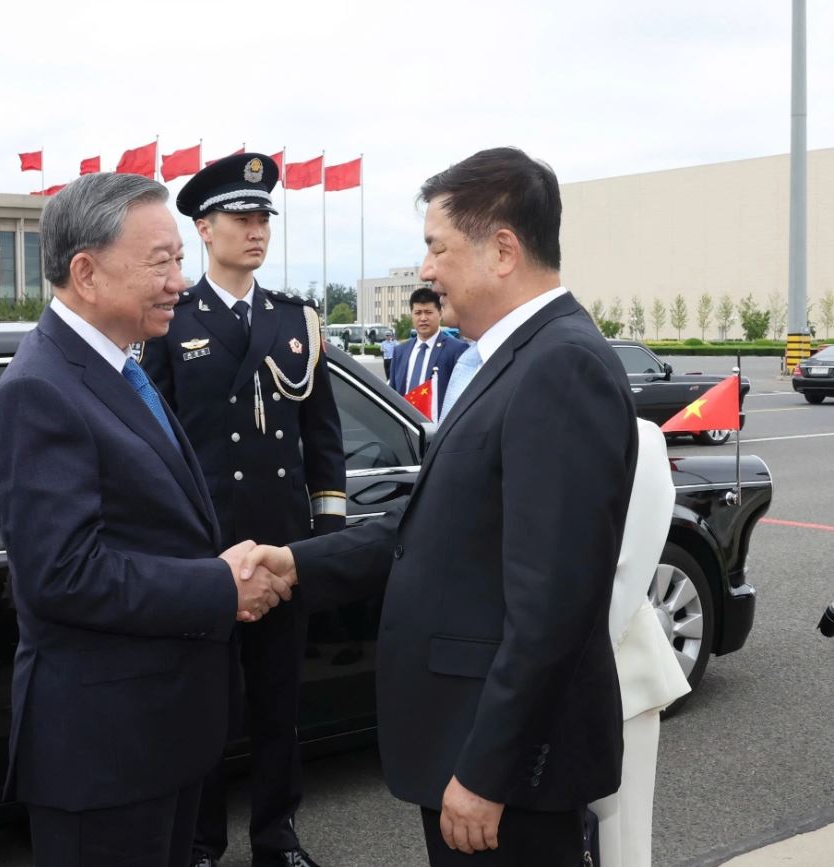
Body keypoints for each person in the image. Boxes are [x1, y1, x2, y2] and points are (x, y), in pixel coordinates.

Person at [242, 147, 639, 866]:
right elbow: (432, 526)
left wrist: (489, 769)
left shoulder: (560, 368)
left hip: (506, 776)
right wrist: (295, 563)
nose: (425, 269)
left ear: (503, 250)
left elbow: (552, 603)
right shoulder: (514, 358)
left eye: (436, 246)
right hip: (472, 751)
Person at [0, 172, 292, 867]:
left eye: (180, 260)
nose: (179, 281)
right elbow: (62, 574)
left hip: (156, 739)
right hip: (103, 755)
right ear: (85, 272)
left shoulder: (119, 367)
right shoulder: (41, 389)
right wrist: (218, 586)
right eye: (161, 261)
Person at [142, 153, 346, 867]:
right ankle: (199, 842)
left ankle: (276, 836)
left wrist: (322, 541)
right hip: (203, 553)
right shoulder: (171, 322)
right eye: (240, 217)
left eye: (263, 217)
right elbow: (153, 443)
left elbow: (323, 442)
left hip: (282, 549)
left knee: (276, 708)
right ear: (204, 227)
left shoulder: (296, 320)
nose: (256, 229)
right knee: (201, 707)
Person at [590, 419, 690, 867]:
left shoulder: (640, 438)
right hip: (555, 669)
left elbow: (626, 575)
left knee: (621, 846)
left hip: (617, 672)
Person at [389, 287, 468, 400]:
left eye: (428, 312)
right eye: (418, 313)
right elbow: (393, 393)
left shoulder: (456, 349)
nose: (423, 318)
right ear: (412, 315)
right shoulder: (400, 351)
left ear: (440, 313)